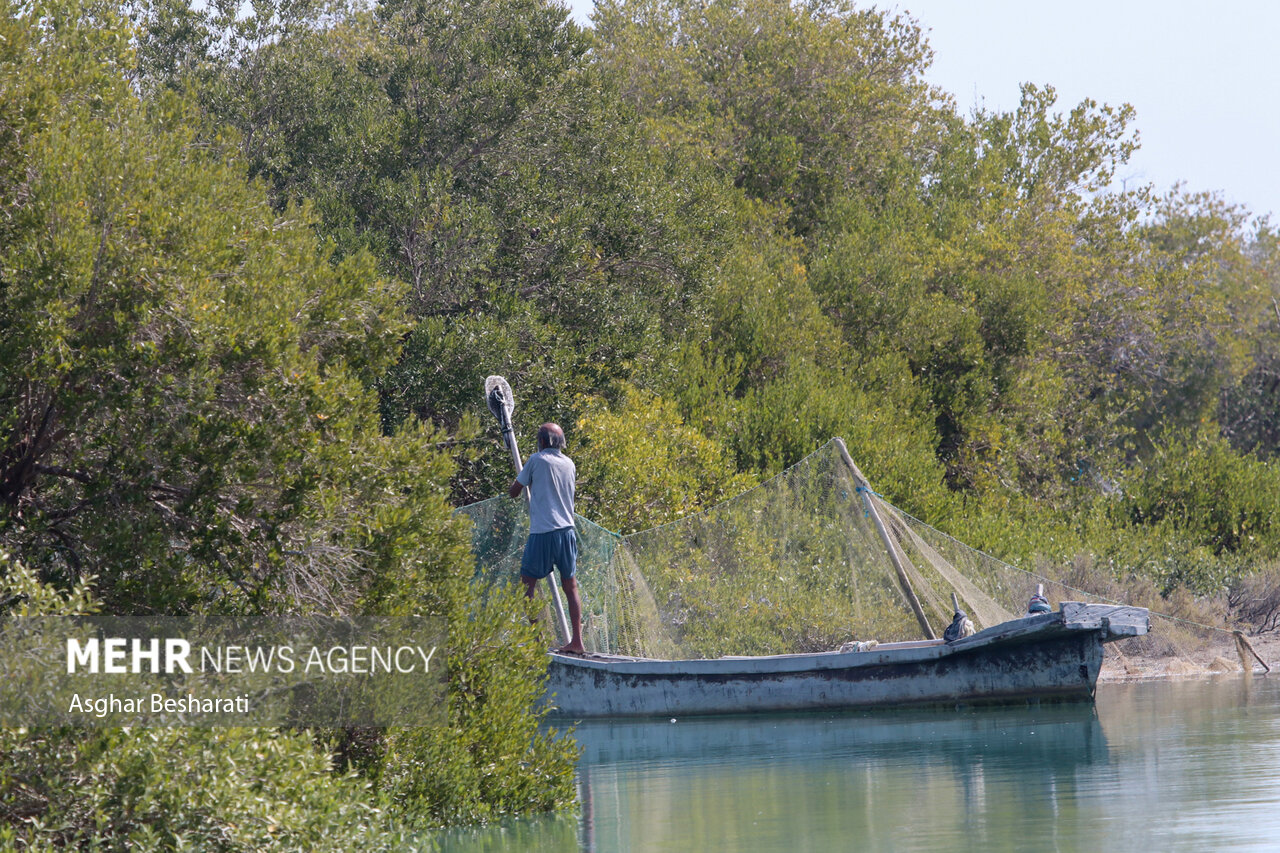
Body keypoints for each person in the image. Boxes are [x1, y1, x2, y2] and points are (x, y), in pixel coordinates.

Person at [509, 422, 585, 654]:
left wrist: (523, 480)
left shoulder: (536, 460)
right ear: (560, 443)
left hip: (543, 532)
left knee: (527, 584)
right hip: (567, 532)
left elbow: (514, 491)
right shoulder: (569, 463)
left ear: (542, 441)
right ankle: (577, 642)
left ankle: (537, 638)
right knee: (570, 586)